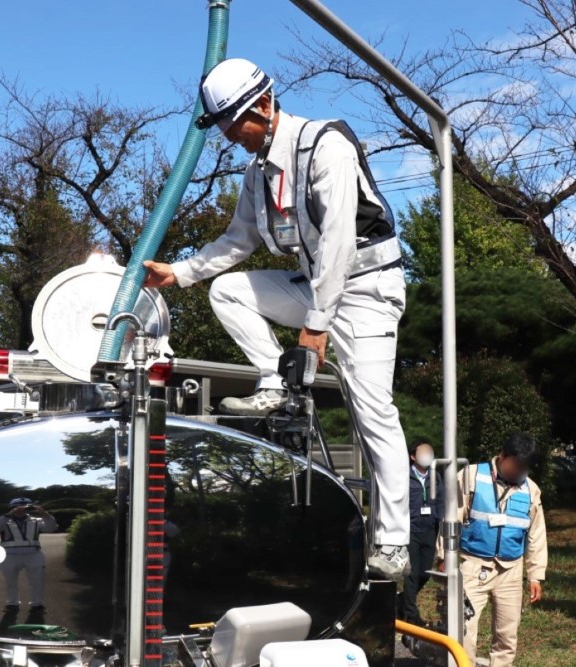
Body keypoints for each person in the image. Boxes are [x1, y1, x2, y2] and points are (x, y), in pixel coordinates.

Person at [142, 58, 410, 579]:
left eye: (232, 124)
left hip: (368, 289)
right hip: (318, 286)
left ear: (263, 106)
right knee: (229, 291)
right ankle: (275, 384)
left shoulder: (325, 146)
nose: (228, 136)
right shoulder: (256, 174)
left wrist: (315, 327)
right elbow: (238, 241)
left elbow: (337, 242)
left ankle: (395, 542)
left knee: (372, 410)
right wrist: (179, 273)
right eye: (220, 127)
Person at [457, 433, 547, 667]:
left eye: (525, 468)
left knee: (507, 634)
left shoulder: (531, 489)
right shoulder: (471, 476)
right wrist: (442, 557)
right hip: (473, 564)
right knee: (463, 630)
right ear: (502, 456)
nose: (519, 472)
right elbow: (452, 517)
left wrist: (535, 575)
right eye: (516, 466)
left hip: (511, 569)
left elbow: (536, 534)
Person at [401, 439, 445, 626]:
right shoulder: (405, 476)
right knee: (411, 574)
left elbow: (442, 499)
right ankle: (411, 614)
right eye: (423, 452)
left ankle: (400, 603)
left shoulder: (436, 476)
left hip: (430, 528)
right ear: (413, 456)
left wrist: (442, 520)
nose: (428, 455)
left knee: (424, 574)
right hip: (411, 530)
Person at [0, 497, 58, 612]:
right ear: (11, 508)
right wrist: (8, 515)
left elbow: (52, 528)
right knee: (10, 581)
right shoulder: (4, 520)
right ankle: (12, 604)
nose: (21, 509)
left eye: (25, 506)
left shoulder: (37, 520)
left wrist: (45, 514)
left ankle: (37, 605)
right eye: (17, 507)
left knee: (37, 581)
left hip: (33, 554)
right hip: (9, 554)